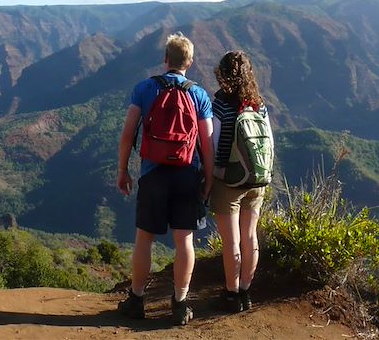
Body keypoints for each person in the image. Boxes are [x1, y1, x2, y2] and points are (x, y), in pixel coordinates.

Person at [116, 32, 215, 326]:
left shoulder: (144, 89)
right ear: (190, 62)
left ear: (166, 59)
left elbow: (127, 134)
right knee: (184, 239)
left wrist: (123, 170)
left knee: (144, 239)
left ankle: (136, 300)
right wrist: (207, 181)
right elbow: (207, 144)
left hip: (153, 174)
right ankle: (180, 304)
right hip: (187, 176)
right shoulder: (198, 95)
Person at [209, 50, 272, 313]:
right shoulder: (258, 104)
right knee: (250, 236)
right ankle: (246, 291)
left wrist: (212, 174)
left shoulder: (221, 105)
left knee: (232, 241)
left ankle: (231, 294)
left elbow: (215, 144)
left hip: (229, 180)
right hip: (257, 180)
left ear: (222, 75)